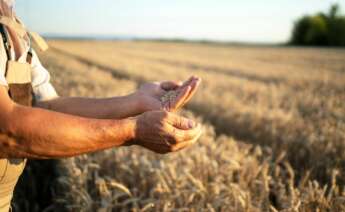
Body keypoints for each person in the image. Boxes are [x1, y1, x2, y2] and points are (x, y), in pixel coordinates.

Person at [0, 0, 202, 211]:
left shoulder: (12, 23)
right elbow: (6, 129)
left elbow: (47, 106)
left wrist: (137, 101)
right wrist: (134, 131)